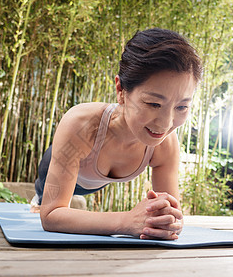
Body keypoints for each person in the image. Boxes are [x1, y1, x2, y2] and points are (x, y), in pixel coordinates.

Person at [32, 28, 202, 240]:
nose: (166, 124)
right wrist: (127, 221)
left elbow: (173, 215)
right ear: (121, 90)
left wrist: (164, 220)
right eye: (153, 104)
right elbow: (50, 215)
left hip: (96, 180)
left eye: (182, 107)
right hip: (57, 169)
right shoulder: (81, 126)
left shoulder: (166, 144)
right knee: (42, 200)